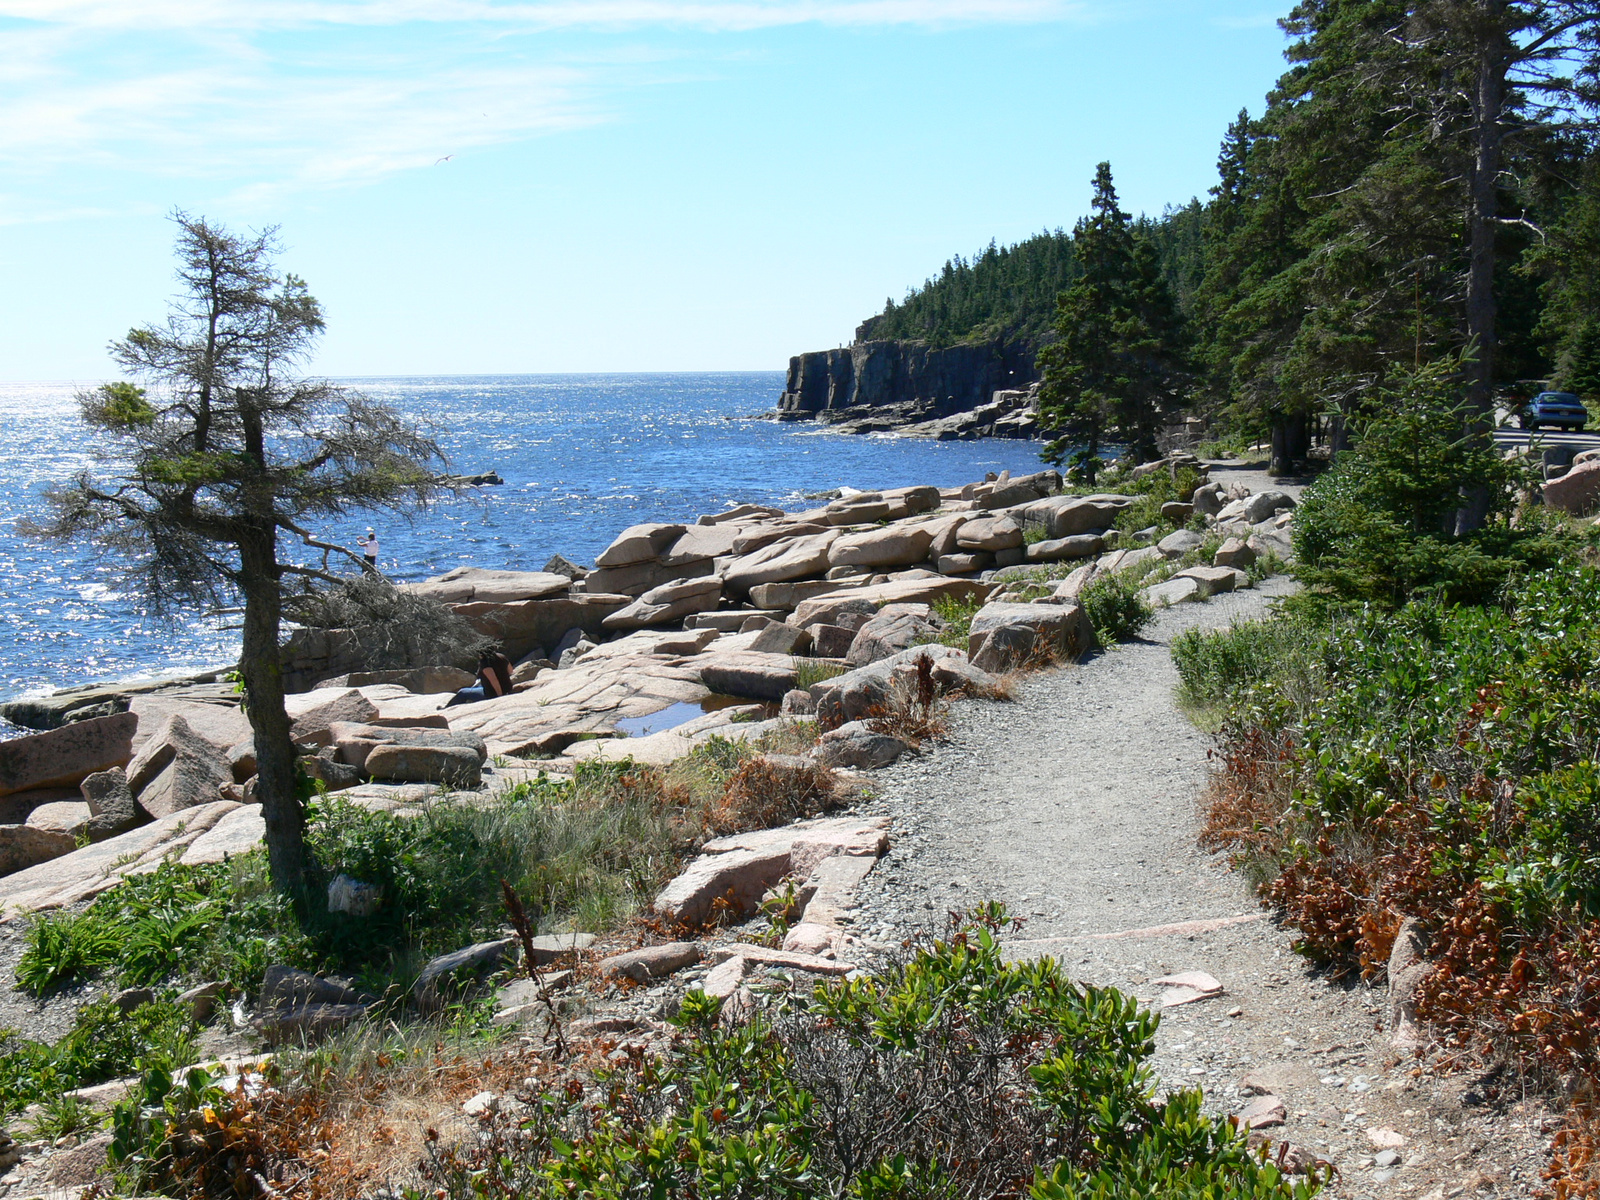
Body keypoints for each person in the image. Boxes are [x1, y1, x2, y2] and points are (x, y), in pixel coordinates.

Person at [447, 648, 515, 707]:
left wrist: (500, 697)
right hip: (507, 688)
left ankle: (447, 709)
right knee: (477, 686)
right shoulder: (501, 656)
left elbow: (494, 680)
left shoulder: (485, 663)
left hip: (492, 694)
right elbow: (511, 671)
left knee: (462, 692)